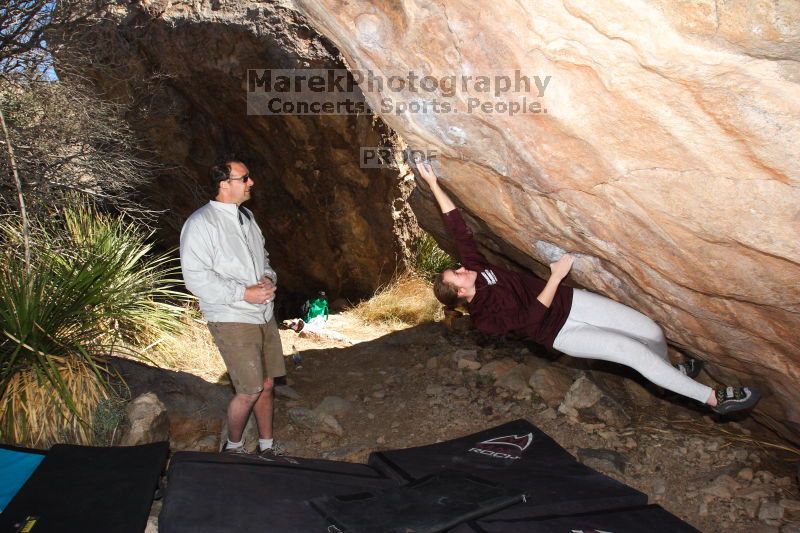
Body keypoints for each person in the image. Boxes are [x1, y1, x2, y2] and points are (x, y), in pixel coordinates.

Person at [415, 160, 761, 415]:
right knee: (633, 353)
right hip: (562, 335)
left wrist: (432, 181)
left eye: (457, 268)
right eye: (455, 275)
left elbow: (458, 227)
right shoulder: (486, 320)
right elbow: (534, 316)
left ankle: (671, 374)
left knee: (651, 332)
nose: (461, 269)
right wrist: (555, 276)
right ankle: (715, 399)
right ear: (460, 293)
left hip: (574, 303)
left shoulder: (478, 268)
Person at [180, 157, 287, 456]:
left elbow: (263, 257)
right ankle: (234, 447)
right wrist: (243, 293)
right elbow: (196, 278)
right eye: (245, 178)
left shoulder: (247, 218)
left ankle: (266, 446)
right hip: (231, 316)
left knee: (266, 385)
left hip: (263, 314)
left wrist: (267, 278)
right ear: (224, 185)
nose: (251, 182)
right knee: (249, 389)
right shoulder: (201, 224)